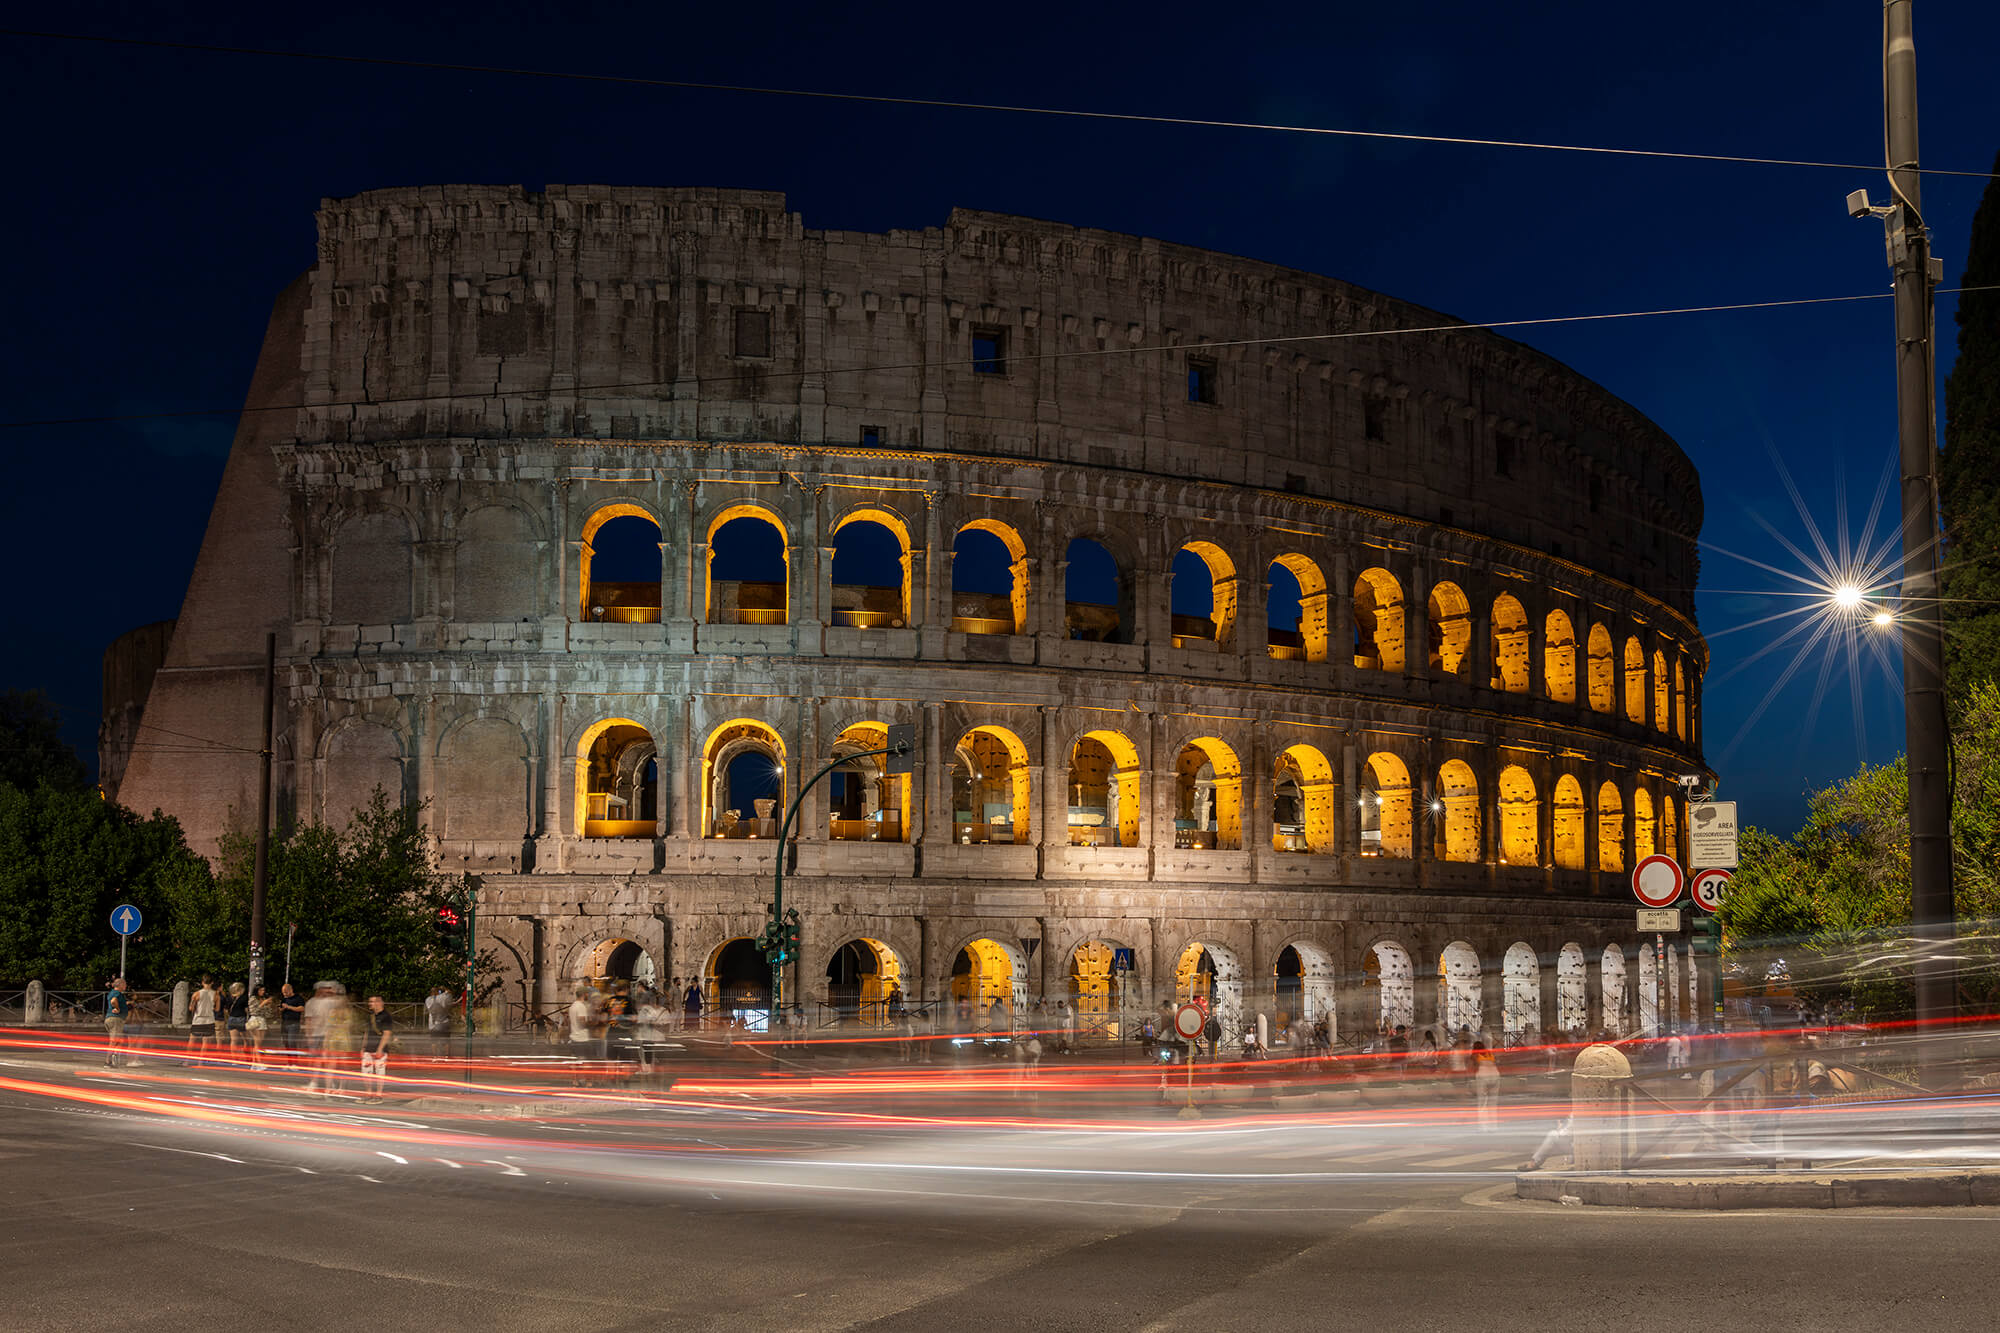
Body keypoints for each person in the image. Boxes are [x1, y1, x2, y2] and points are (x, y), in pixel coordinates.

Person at [302, 981, 340, 1092]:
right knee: (315, 1060)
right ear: (318, 990)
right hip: (316, 1035)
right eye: (325, 988)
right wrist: (309, 1036)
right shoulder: (311, 1003)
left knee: (329, 1060)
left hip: (328, 1035)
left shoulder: (331, 1002)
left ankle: (329, 1082)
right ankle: (314, 1082)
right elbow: (308, 1020)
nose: (327, 991)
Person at [360, 994, 394, 1099]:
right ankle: (369, 1093)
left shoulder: (386, 1016)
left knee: (379, 1072)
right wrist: (363, 1047)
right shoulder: (370, 1016)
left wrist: (380, 1049)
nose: (369, 1004)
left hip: (380, 1049)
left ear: (379, 1003)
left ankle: (379, 1094)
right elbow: (366, 1033)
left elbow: (387, 1033)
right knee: (366, 1072)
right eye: (369, 1001)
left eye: (372, 1001)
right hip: (369, 1048)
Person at [185, 976, 219, 1062]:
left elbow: (191, 1008)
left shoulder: (196, 994)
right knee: (205, 1043)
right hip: (209, 1020)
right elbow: (217, 1009)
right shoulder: (216, 994)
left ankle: (187, 1061)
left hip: (198, 1020)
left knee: (192, 1041)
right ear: (212, 983)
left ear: (202, 983)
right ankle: (200, 1062)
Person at [103, 976, 131, 1068]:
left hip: (113, 1019)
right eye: (125, 984)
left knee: (120, 1040)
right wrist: (118, 1009)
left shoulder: (114, 993)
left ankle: (114, 1058)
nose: (126, 986)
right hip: (115, 1019)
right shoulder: (116, 993)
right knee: (114, 1041)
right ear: (120, 985)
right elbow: (113, 1001)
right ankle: (108, 1062)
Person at [1472, 1041, 1500, 1129]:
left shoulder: (1475, 1055)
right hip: (1495, 1075)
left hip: (1483, 1076)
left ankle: (1483, 1126)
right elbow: (1495, 1062)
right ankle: (1494, 1126)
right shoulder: (1489, 1053)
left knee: (1482, 1103)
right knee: (1493, 1103)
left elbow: (1474, 1067)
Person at [248, 985, 275, 1069]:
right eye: (261, 990)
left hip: (262, 1020)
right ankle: (259, 1063)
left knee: (259, 1043)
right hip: (255, 1020)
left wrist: (269, 1005)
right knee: (257, 1042)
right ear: (257, 991)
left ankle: (254, 1063)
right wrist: (263, 1003)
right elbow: (253, 1010)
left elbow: (268, 1013)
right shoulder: (253, 999)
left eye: (263, 990)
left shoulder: (262, 999)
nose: (263, 992)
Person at [278, 982, 305, 1061]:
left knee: (292, 1043)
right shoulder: (284, 999)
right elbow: (280, 1009)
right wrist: (282, 1009)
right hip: (284, 1023)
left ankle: (294, 1061)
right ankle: (289, 1061)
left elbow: (301, 1008)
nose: (284, 994)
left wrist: (289, 1007)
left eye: (285, 992)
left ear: (291, 990)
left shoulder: (298, 998)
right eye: (283, 992)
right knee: (286, 1043)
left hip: (294, 1024)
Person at [223, 981, 250, 1059]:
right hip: (241, 1018)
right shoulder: (244, 998)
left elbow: (226, 1010)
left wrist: (228, 1017)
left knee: (233, 1040)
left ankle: (234, 1058)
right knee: (246, 1040)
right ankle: (247, 1056)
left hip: (231, 1019)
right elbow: (246, 1010)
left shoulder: (230, 998)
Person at [425, 985, 453, 1056]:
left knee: (434, 1041)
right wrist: (445, 989)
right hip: (444, 1022)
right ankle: (447, 1055)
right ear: (438, 992)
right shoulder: (442, 997)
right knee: (446, 1041)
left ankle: (435, 1056)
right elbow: (449, 993)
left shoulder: (428, 1000)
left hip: (433, 1024)